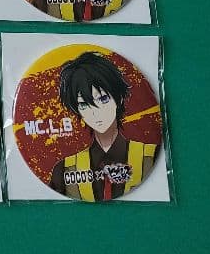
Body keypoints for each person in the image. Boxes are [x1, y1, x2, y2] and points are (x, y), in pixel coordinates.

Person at [49, 52, 158, 201]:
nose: (96, 112)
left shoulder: (150, 156)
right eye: (84, 104)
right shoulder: (64, 170)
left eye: (103, 99)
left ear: (119, 98)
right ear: (77, 110)